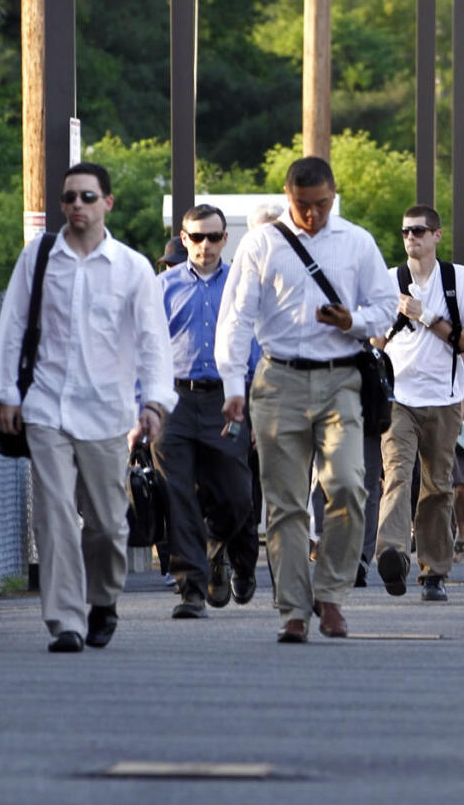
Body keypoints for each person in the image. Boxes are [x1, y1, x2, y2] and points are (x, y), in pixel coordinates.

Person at [0, 162, 176, 652]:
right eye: (69, 197)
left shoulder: (132, 268)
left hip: (106, 412)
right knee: (53, 514)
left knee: (108, 523)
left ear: (107, 204)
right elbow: (11, 326)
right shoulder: (39, 258)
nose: (77, 205)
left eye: (87, 197)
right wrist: (7, 393)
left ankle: (103, 600)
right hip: (46, 407)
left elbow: (153, 343)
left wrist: (155, 403)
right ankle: (66, 621)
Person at [215, 156, 396, 643]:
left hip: (341, 380)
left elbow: (385, 309)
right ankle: (293, 610)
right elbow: (234, 318)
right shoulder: (261, 242)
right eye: (302, 205)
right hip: (279, 380)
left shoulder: (356, 242)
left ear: (334, 194)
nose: (313, 215)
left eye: (321, 204)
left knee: (348, 487)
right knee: (285, 503)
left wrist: (351, 322)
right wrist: (233, 386)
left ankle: (331, 593)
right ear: (286, 196)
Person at [153, 204, 260, 619]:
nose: (205, 245)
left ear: (225, 239)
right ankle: (191, 590)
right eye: (197, 237)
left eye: (214, 237)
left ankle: (218, 550)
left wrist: (253, 405)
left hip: (228, 399)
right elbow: (146, 348)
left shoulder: (242, 283)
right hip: (175, 401)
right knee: (177, 495)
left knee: (235, 494)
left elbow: (257, 346)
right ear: (184, 239)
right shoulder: (162, 287)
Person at [376, 204, 464, 602]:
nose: (411, 238)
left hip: (445, 399)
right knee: (398, 476)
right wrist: (387, 328)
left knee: (438, 486)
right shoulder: (389, 281)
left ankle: (434, 572)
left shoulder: (458, 279)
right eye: (405, 232)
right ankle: (392, 553)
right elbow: (375, 341)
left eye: (419, 231)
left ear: (437, 235)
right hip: (398, 398)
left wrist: (426, 316)